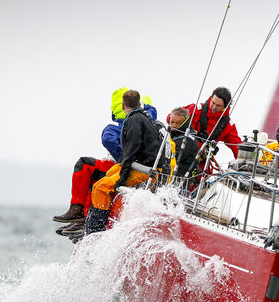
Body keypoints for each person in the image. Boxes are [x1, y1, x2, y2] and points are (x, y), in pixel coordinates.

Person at [53, 87, 157, 225]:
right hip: (147, 167)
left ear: (119, 107)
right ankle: (82, 215)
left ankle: (81, 213)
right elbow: (152, 110)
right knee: (97, 172)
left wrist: (125, 160)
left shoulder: (115, 129)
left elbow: (115, 147)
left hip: (129, 166)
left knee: (86, 166)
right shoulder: (149, 117)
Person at [86, 90, 162, 234]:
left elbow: (131, 151)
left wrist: (123, 177)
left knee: (100, 187)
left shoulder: (133, 121)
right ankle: (100, 215)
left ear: (122, 106)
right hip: (144, 166)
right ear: (140, 104)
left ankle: (95, 231)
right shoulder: (144, 117)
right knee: (109, 173)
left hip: (145, 171)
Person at [183, 87, 242, 160]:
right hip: (181, 155)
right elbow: (172, 117)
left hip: (201, 164)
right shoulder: (196, 110)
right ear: (210, 99)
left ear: (225, 107)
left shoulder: (227, 126)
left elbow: (238, 148)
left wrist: (249, 161)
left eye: (218, 105)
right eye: (213, 103)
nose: (214, 107)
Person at [167, 107, 198, 177]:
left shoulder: (189, 140)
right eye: (172, 122)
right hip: (171, 176)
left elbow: (171, 157)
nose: (174, 125)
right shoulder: (172, 135)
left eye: (178, 123)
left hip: (183, 181)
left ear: (184, 123)